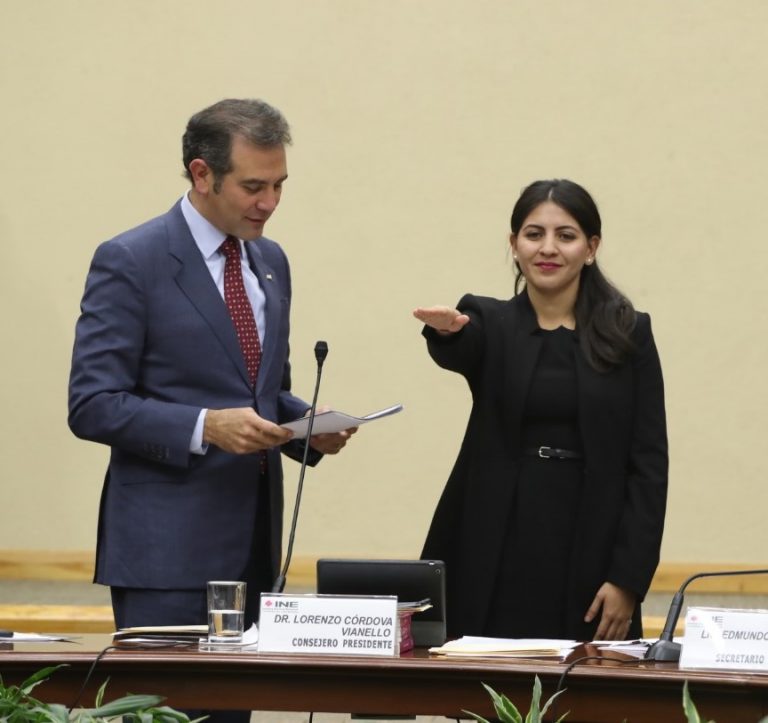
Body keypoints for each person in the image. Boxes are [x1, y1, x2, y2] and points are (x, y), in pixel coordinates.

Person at [68, 99, 354, 719]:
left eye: (279, 185)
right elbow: (91, 403)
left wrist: (308, 427)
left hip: (252, 552)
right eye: (254, 186)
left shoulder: (269, 261)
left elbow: (263, 393)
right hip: (164, 558)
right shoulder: (131, 260)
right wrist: (204, 427)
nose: (270, 202)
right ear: (202, 175)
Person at [413, 179, 667, 642]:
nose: (548, 248)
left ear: (591, 248)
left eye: (565, 236)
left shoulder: (629, 332)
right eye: (533, 235)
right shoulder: (489, 322)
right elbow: (460, 347)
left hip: (591, 544)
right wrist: (446, 333)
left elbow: (648, 464)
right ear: (514, 245)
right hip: (496, 540)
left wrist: (628, 578)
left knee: (587, 702)